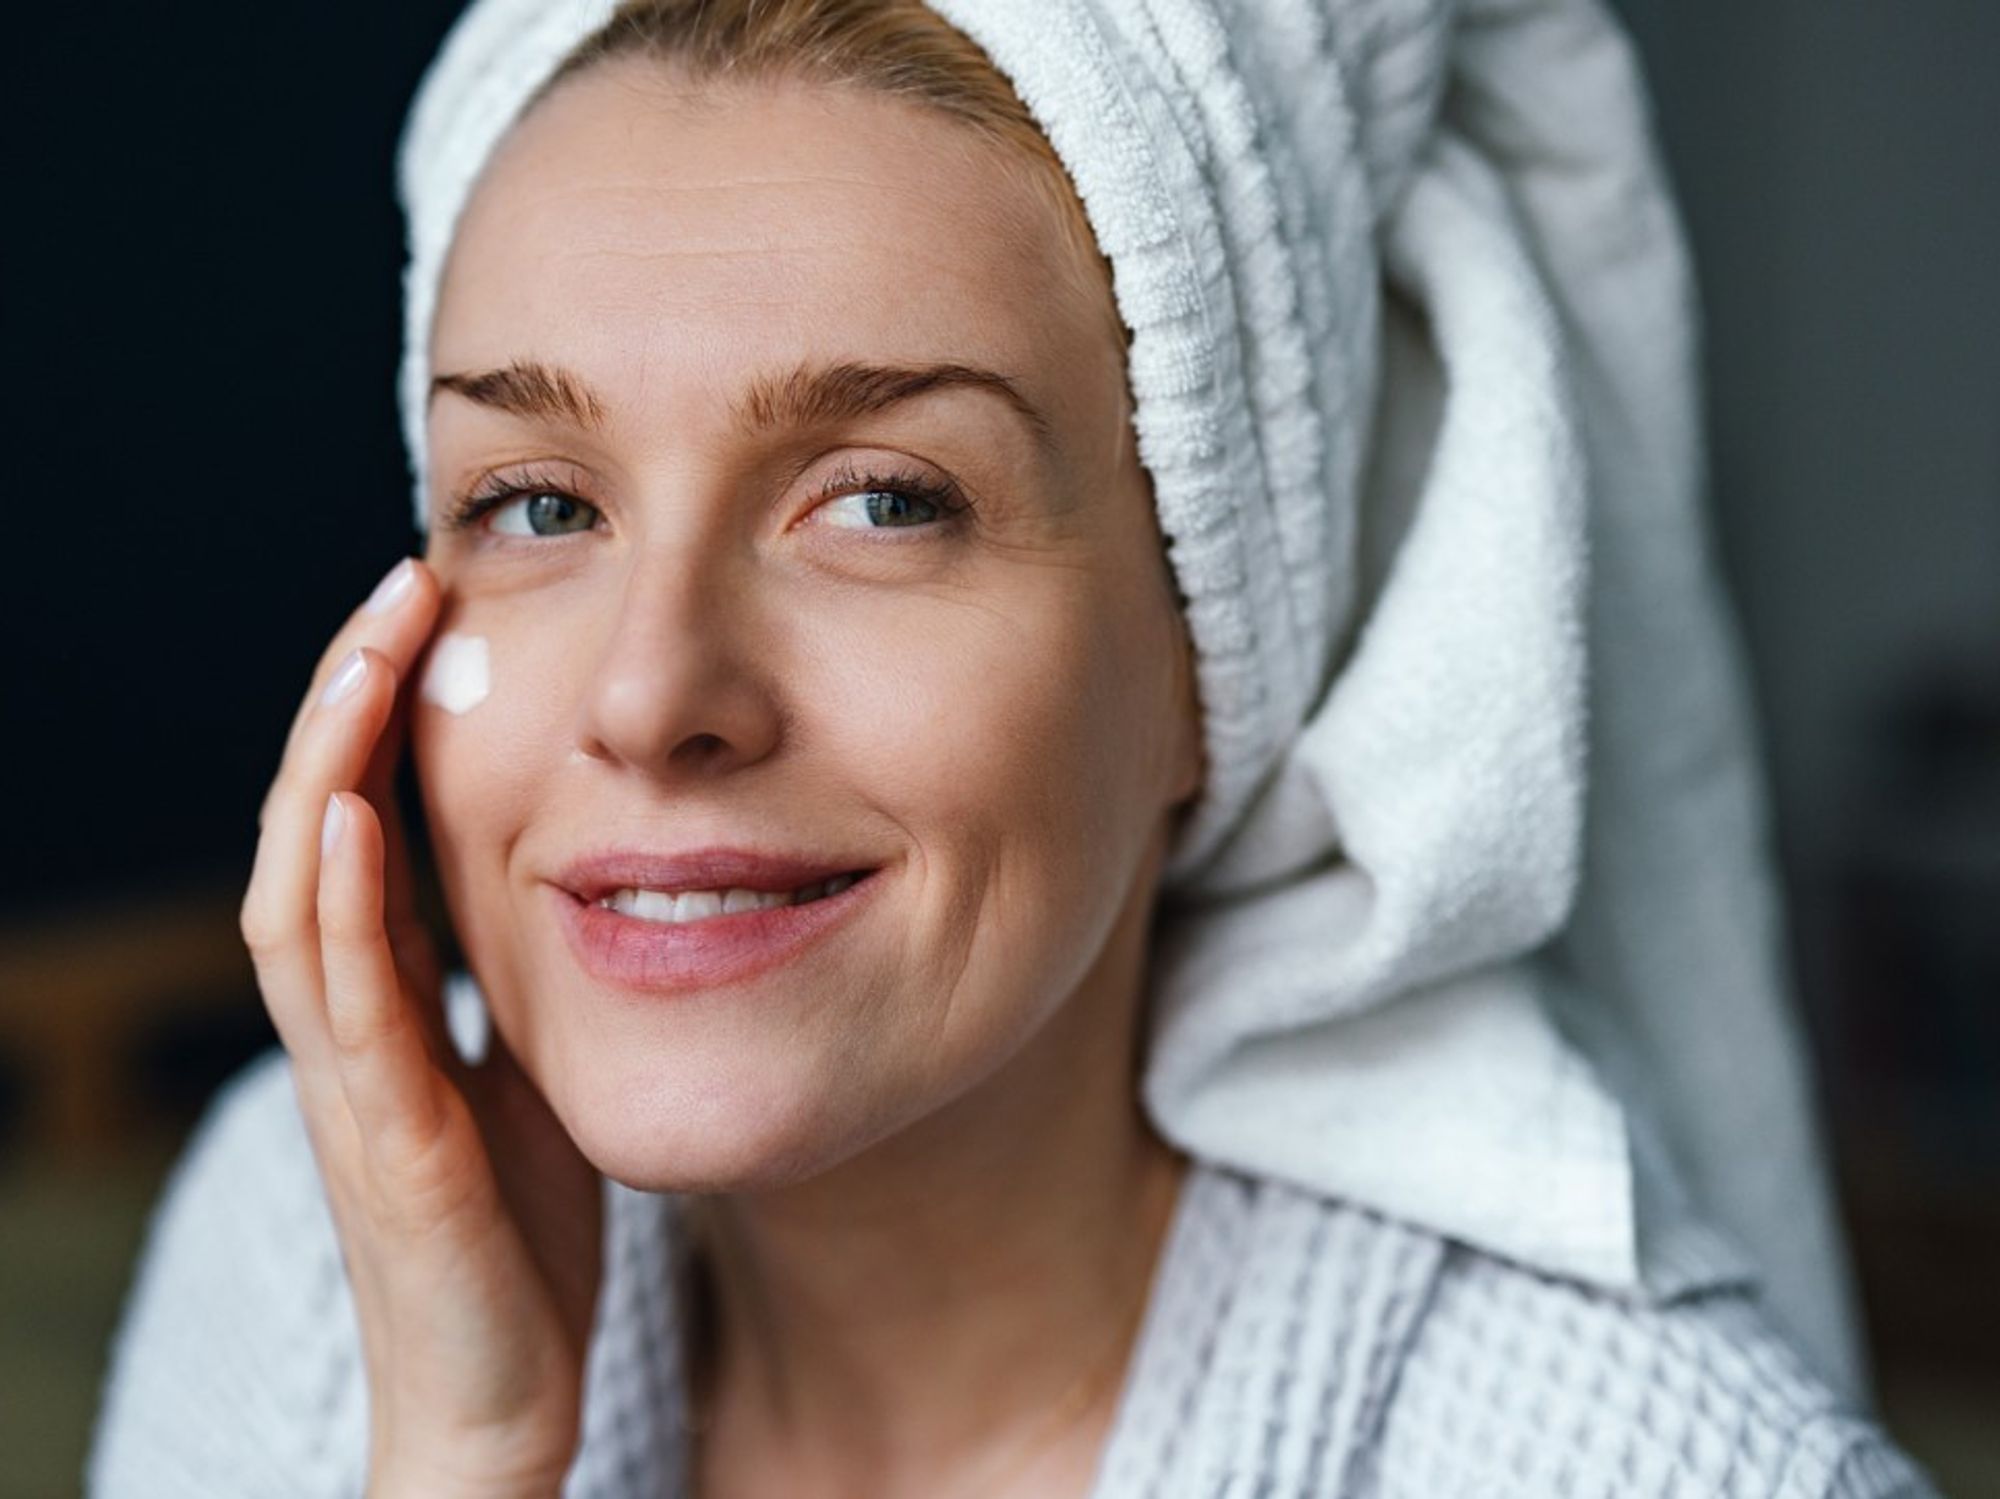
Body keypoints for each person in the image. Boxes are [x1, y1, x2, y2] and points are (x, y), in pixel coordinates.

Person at [89, 1, 1943, 1495]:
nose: (651, 697)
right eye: (539, 504)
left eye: (884, 500)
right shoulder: (311, 1258)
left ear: (1215, 659)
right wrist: (463, 1463)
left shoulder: (1652, 1466)